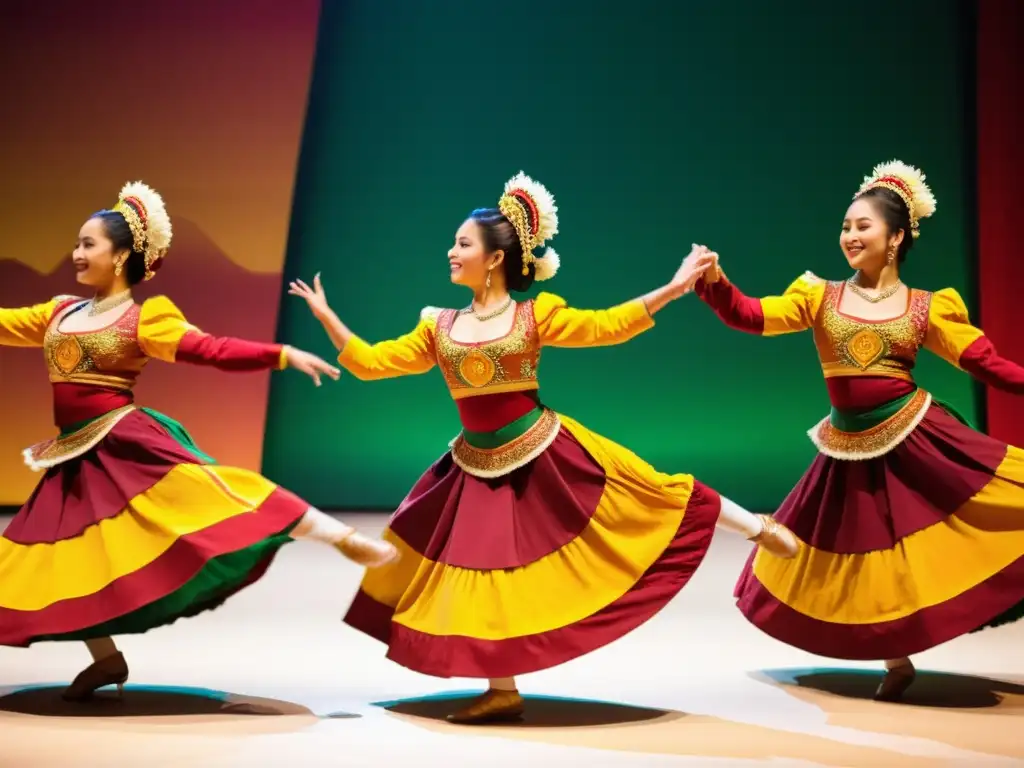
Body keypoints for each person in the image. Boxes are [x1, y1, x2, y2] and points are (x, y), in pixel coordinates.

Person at [289, 171, 799, 724]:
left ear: (495, 259)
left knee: (657, 492)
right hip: (476, 463)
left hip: (543, 452)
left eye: (463, 244)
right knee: (484, 569)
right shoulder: (439, 325)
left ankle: (757, 526)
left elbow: (607, 326)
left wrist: (675, 288)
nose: (451, 252)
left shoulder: (536, 315)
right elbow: (371, 363)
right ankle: (502, 688)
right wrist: (327, 318)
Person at [0, 181, 397, 702]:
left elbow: (209, 349)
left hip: (123, 439)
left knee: (217, 491)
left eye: (89, 244)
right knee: (59, 555)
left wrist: (278, 354)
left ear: (121, 256)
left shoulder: (142, 319)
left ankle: (338, 535)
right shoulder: (59, 313)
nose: (76, 254)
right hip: (74, 451)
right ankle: (107, 658)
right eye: (77, 243)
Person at [687, 160, 1024, 702]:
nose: (849, 235)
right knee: (863, 549)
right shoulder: (819, 297)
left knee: (960, 525)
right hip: (848, 445)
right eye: (845, 226)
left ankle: (907, 646)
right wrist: (716, 283)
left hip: (915, 437)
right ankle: (895, 659)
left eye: (862, 226)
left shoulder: (926, 308)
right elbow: (751, 316)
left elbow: (986, 363)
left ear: (894, 238)